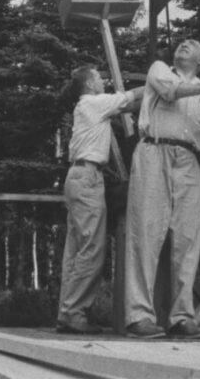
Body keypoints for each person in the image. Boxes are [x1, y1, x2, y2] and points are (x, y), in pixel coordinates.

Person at [124, 39, 200, 340]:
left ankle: (181, 318)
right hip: (153, 151)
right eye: (182, 43)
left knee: (187, 239)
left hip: (188, 160)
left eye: (192, 45)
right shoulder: (160, 70)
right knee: (146, 233)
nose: (185, 44)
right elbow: (170, 91)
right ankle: (139, 317)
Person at [56, 65, 144, 335]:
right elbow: (130, 97)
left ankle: (68, 312)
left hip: (78, 177)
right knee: (92, 250)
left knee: (76, 251)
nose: (102, 80)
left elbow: (128, 107)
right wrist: (161, 82)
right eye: (98, 77)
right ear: (89, 85)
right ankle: (74, 313)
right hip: (87, 178)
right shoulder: (94, 102)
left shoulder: (90, 106)